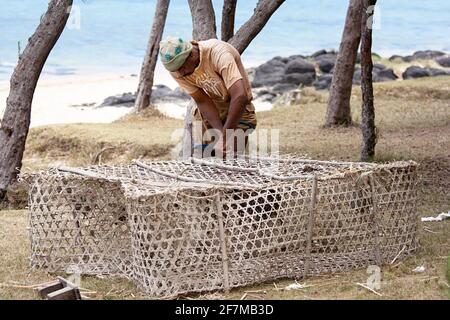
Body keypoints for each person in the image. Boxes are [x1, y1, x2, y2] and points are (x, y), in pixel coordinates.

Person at [159, 36, 257, 158]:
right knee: (206, 160)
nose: (180, 74)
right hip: (213, 110)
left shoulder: (218, 54)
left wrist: (225, 137)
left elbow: (240, 96)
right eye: (175, 70)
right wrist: (220, 134)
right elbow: (202, 100)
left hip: (239, 107)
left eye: (181, 68)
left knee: (231, 160)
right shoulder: (176, 68)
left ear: (191, 55)